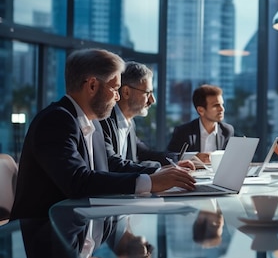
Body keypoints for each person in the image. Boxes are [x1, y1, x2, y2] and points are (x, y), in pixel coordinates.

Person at [10, 48, 196, 220]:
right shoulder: (56, 121)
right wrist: (149, 182)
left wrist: (159, 172)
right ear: (92, 85)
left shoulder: (92, 124)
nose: (117, 97)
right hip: (47, 237)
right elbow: (77, 181)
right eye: (115, 89)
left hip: (79, 230)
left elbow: (111, 164)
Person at [99, 61, 173, 167]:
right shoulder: (104, 121)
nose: (152, 100)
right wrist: (158, 172)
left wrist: (182, 159)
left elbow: (145, 154)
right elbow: (112, 165)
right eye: (148, 93)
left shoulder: (129, 123)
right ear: (126, 92)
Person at [167, 84, 235, 163]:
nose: (222, 109)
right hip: (191, 174)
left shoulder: (227, 131)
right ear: (201, 110)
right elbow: (169, 157)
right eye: (216, 105)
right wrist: (193, 157)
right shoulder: (183, 132)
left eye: (222, 104)